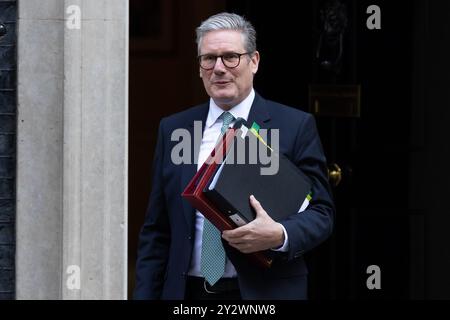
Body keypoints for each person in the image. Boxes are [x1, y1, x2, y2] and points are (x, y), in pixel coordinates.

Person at [134, 12, 334, 300]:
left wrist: (279, 234)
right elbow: (157, 229)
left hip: (263, 292)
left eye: (230, 57)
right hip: (188, 293)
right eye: (209, 58)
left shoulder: (294, 126)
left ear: (254, 61)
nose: (218, 68)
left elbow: (322, 213)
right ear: (199, 66)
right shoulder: (175, 129)